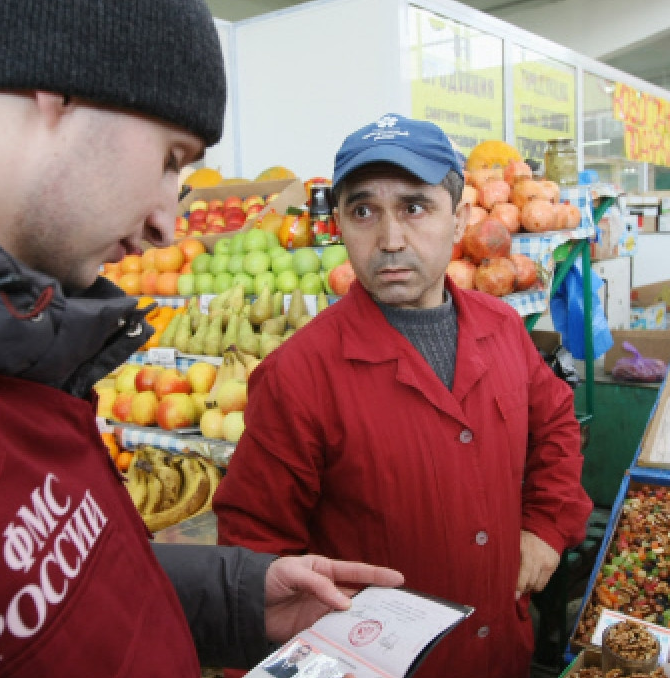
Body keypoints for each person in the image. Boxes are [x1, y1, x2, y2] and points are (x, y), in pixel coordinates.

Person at [0, 2, 403, 676]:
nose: (169, 225)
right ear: (58, 88)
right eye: (171, 159)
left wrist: (238, 600)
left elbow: (26, 588)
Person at [213, 114, 593, 678]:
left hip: (499, 653)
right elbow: (256, 555)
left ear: (459, 217)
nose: (390, 240)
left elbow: (555, 422)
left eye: (415, 207)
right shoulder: (298, 376)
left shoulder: (503, 328)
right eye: (364, 211)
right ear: (338, 223)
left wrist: (545, 527)